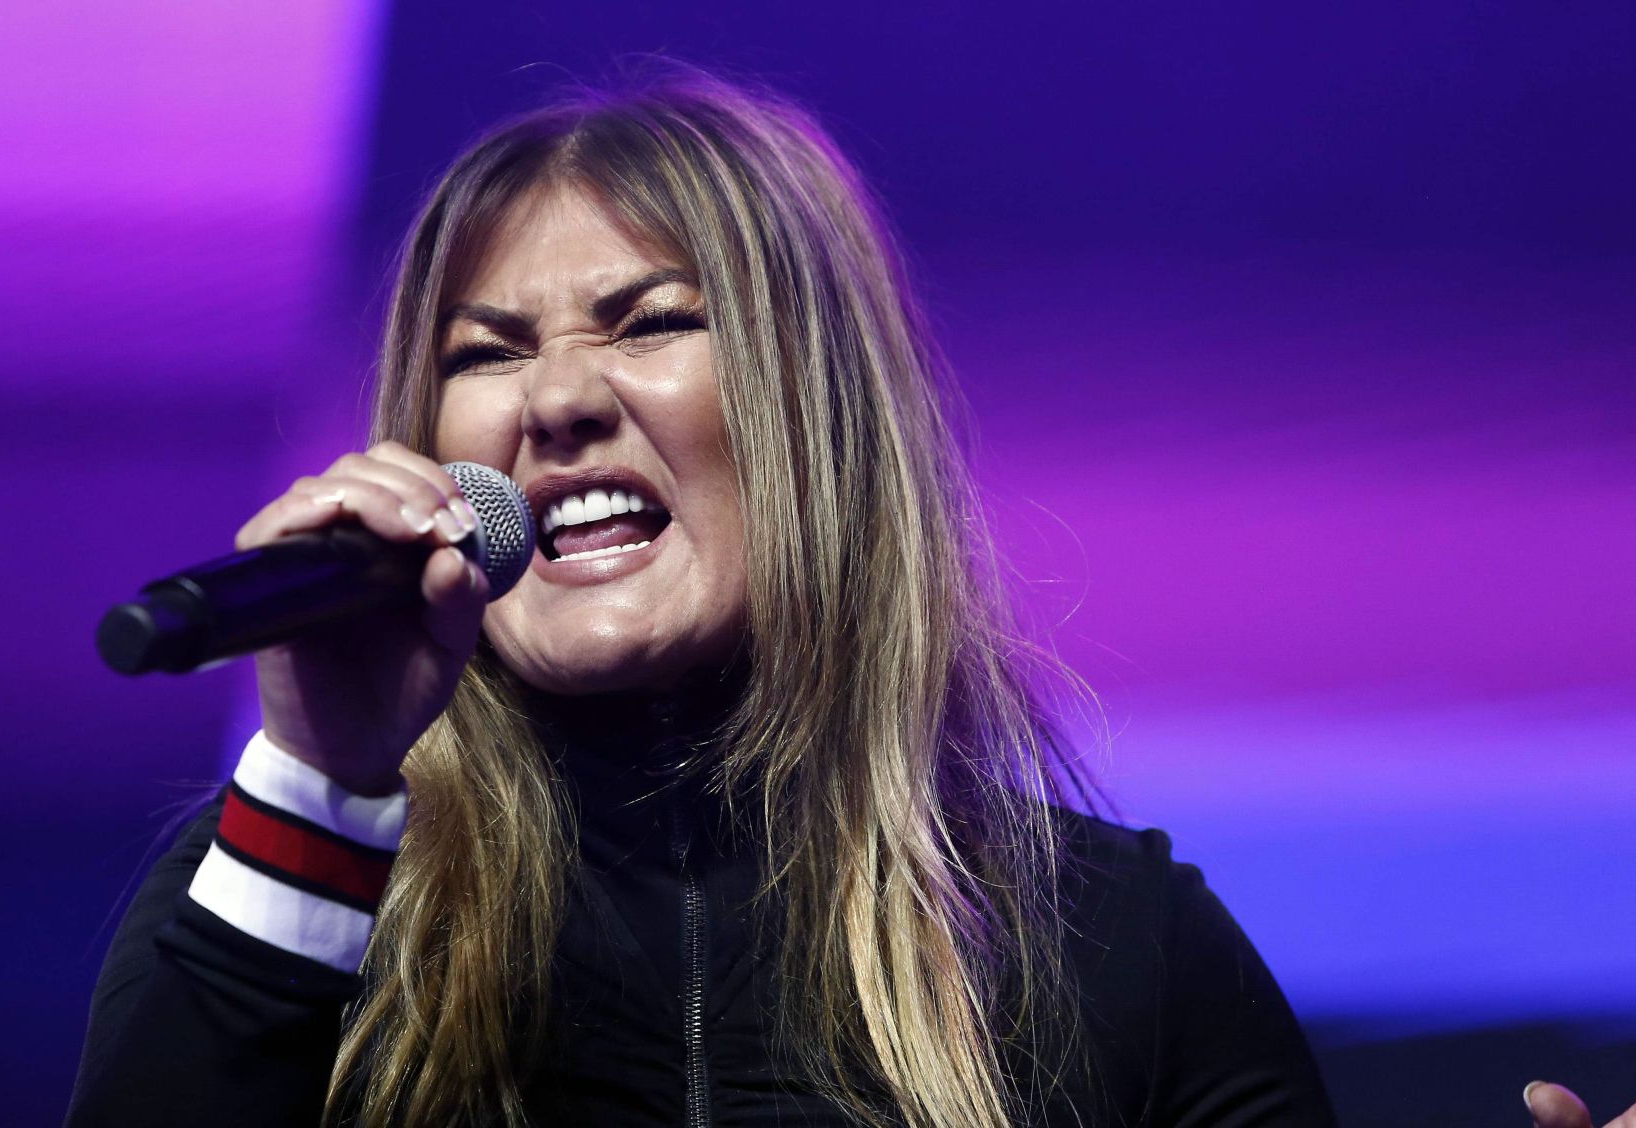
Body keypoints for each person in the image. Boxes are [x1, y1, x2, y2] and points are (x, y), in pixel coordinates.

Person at [70, 69, 1418, 1127]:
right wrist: (317, 793)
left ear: (813, 416)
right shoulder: (279, 907)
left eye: (650, 321)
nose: (556, 401)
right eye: (487, 353)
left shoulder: (1112, 946)